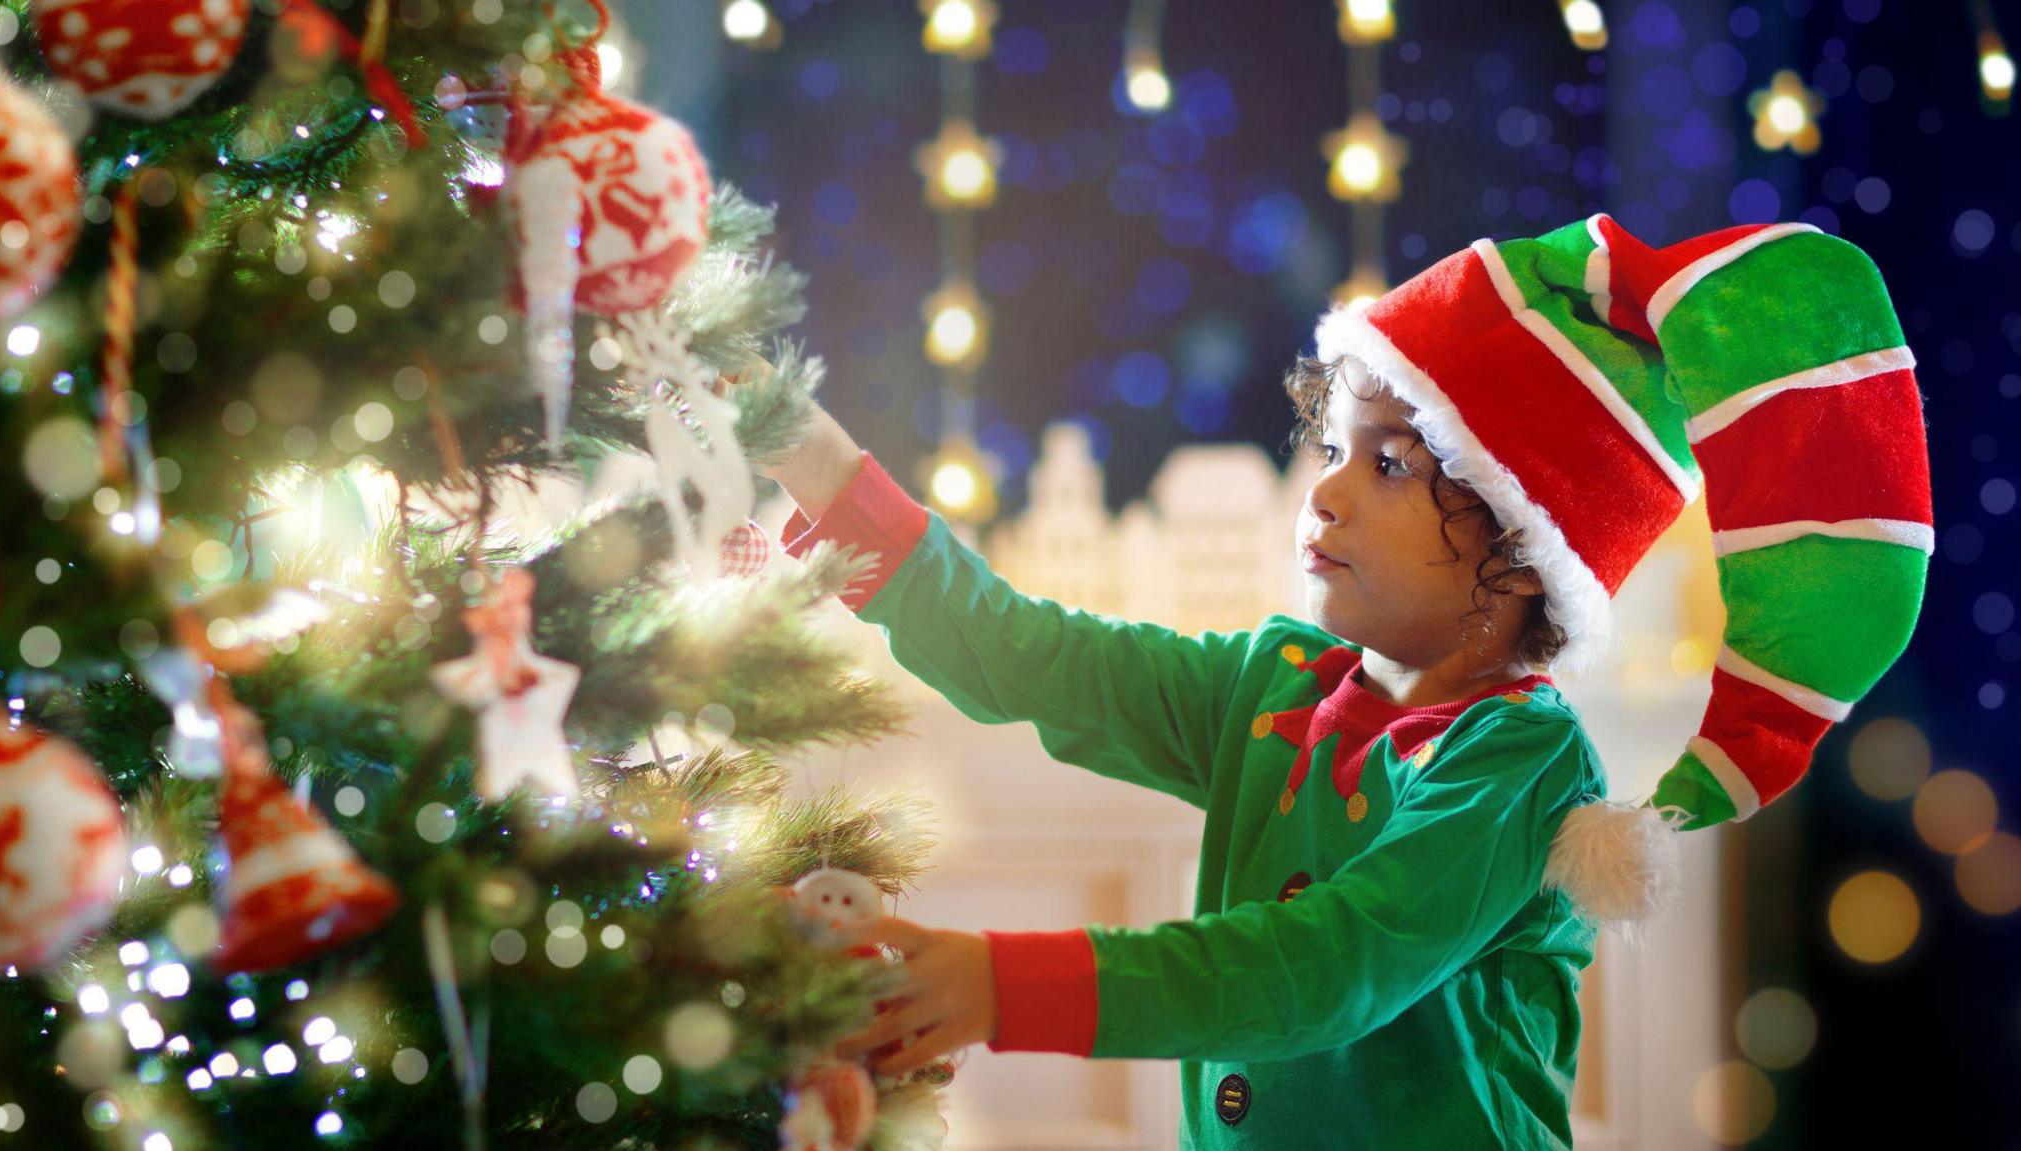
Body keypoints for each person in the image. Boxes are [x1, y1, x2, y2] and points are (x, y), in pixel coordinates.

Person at [759, 214, 1932, 1148]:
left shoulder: (1514, 760)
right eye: (1332, 449)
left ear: (1519, 551)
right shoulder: (1273, 684)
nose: (1323, 491)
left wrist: (1001, 982)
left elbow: (1329, 964)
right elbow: (1029, 654)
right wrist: (817, 471)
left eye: (1386, 464)